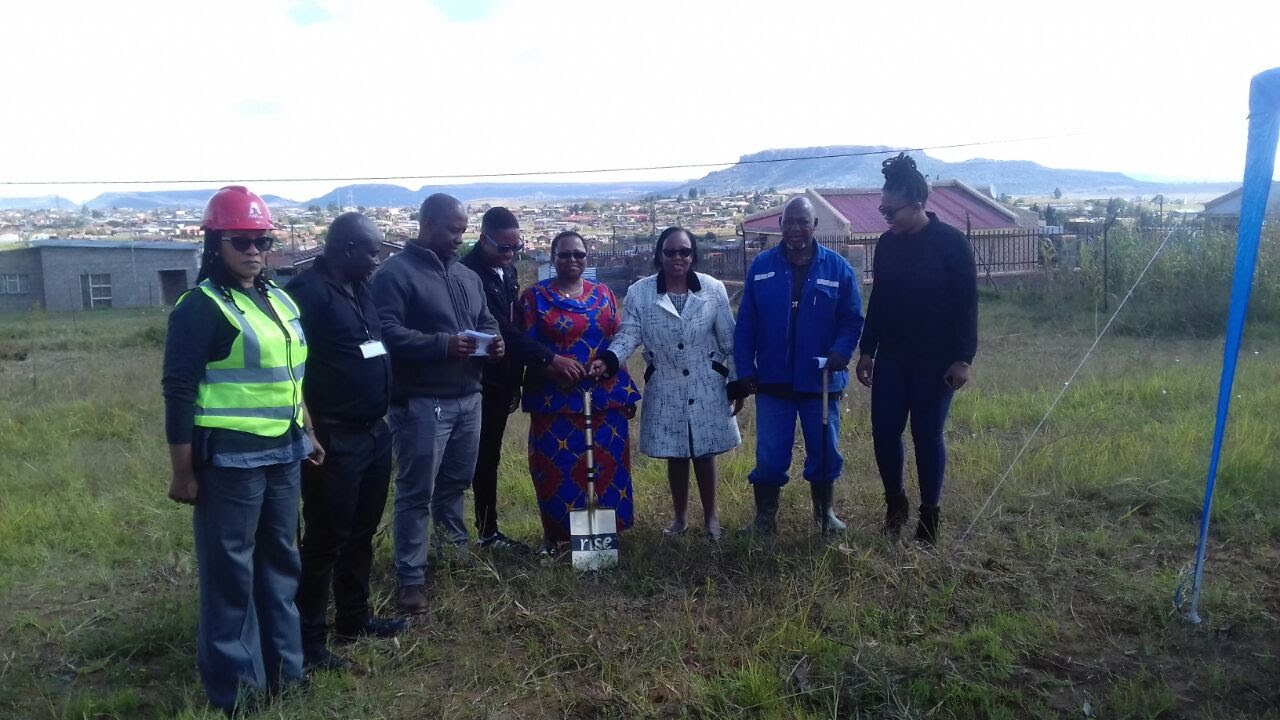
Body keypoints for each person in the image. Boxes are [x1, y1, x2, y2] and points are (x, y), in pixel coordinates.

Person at [162, 186, 324, 715]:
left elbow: (292, 380)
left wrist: (309, 433)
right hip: (229, 463)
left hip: (283, 454)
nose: (254, 250)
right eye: (241, 241)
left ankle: (287, 675)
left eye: (262, 240)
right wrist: (182, 471)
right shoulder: (199, 307)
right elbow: (179, 389)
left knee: (281, 567)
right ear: (216, 244)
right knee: (230, 578)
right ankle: (239, 693)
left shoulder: (279, 298)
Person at [371, 193, 504, 614]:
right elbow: (385, 332)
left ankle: (451, 556)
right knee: (416, 490)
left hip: (469, 397)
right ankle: (411, 576)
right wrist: (443, 345)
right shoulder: (395, 274)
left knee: (454, 484)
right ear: (427, 225)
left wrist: (493, 342)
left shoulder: (466, 276)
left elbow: (485, 321)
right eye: (452, 230)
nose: (458, 237)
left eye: (463, 230)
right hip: (422, 401)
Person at [285, 213, 406, 673]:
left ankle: (354, 620)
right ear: (348, 249)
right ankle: (308, 641)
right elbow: (292, 369)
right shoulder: (307, 294)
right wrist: (308, 429)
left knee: (361, 530)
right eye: (372, 252)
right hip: (333, 435)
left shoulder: (362, 288)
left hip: (375, 431)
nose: (378, 260)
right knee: (325, 537)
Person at [588, 227, 745, 541]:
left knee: (704, 451)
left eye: (684, 252)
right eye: (670, 252)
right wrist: (608, 359)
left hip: (706, 382)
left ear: (693, 255)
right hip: (666, 382)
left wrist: (737, 383)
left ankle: (711, 518)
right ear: (659, 255)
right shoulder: (640, 293)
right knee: (676, 452)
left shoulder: (713, 289)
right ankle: (680, 517)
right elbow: (629, 334)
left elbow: (730, 340)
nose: (677, 258)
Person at [855, 153, 977, 546]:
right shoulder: (886, 245)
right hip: (892, 357)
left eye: (891, 210)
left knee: (927, 434)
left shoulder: (951, 244)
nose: (886, 216)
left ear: (919, 204)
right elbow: (880, 299)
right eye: (882, 209)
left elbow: (966, 303)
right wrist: (867, 349)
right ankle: (896, 504)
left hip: (936, 361)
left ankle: (930, 514)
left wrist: (963, 358)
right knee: (884, 433)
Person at [734, 196, 864, 537]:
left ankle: (825, 514)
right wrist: (745, 369)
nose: (795, 228)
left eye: (802, 222)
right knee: (770, 456)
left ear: (814, 225)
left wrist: (840, 351)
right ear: (780, 226)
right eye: (789, 222)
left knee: (824, 451)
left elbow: (851, 320)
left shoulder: (837, 269)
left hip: (820, 382)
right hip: (773, 382)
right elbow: (746, 323)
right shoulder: (761, 268)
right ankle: (765, 519)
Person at [518, 231, 641, 556]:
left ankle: (603, 540)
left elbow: (616, 342)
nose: (572, 260)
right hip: (555, 397)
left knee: (607, 467)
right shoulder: (534, 298)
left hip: (604, 398)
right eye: (564, 254)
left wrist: (624, 387)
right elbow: (525, 347)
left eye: (579, 255)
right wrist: (553, 368)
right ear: (552, 257)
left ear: (588, 258)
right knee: (554, 467)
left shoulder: (603, 294)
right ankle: (556, 536)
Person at [459, 207, 548, 553]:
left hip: (503, 379)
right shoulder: (467, 275)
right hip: (476, 380)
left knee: (490, 457)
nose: (510, 255)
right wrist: (548, 358)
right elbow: (502, 330)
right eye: (503, 248)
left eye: (516, 248)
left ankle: (487, 531)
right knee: (474, 460)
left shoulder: (506, 270)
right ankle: (479, 532)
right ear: (483, 239)